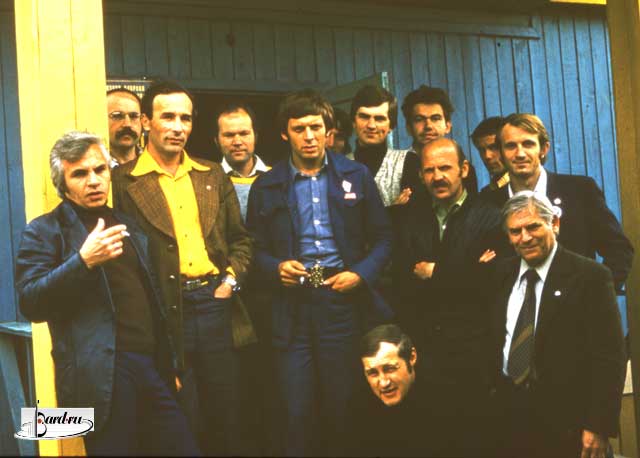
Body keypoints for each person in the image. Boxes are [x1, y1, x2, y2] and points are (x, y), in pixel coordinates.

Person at [15, 131, 199, 456]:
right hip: (101, 374)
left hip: (150, 367)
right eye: (79, 174)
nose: (94, 181)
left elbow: (152, 300)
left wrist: (168, 365)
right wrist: (83, 261)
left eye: (100, 169)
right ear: (62, 183)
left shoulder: (127, 224)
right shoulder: (44, 230)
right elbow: (31, 302)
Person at [246, 89, 392, 456]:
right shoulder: (267, 185)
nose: (309, 137)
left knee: (343, 404)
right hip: (291, 306)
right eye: (299, 129)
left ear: (329, 131)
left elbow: (384, 238)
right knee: (296, 409)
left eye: (316, 127)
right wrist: (274, 267)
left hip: (341, 300)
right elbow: (252, 248)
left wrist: (360, 274)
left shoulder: (355, 175)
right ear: (285, 134)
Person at [111, 80, 254, 456]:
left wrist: (230, 281)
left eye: (185, 118)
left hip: (214, 303)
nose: (178, 127)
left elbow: (241, 240)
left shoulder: (211, 174)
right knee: (179, 417)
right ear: (146, 122)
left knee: (228, 414)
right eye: (168, 117)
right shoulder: (122, 181)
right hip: (163, 311)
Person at [490, 191, 625, 458]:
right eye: (515, 231)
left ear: (554, 223)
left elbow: (609, 357)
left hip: (568, 427)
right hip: (510, 421)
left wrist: (597, 426)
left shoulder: (590, 277)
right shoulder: (499, 275)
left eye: (533, 226)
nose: (525, 237)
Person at [393, 137, 504, 456]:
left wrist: (437, 273)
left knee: (474, 440)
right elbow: (402, 277)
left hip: (474, 350)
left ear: (463, 169)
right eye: (429, 170)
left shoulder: (491, 216)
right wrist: (468, 269)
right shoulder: (410, 218)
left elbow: (492, 280)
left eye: (445, 168)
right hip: (425, 348)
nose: (437, 176)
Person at [483, 113, 633, 293]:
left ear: (544, 149)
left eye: (528, 144)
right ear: (501, 153)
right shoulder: (488, 203)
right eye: (510, 146)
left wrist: (596, 295)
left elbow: (619, 250)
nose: (520, 153)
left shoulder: (580, 191)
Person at [348, 324, 431, 457]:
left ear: (412, 357)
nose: (384, 383)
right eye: (373, 373)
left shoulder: (444, 402)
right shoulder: (358, 408)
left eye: (390, 369)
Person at [401, 84, 479, 195]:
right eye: (419, 119)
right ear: (408, 128)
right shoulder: (397, 167)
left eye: (435, 118)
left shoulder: (463, 168)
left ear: (448, 126)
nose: (428, 126)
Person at [351, 85, 420, 207]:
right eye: (364, 117)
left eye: (379, 119)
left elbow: (413, 215)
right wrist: (393, 210)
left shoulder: (409, 162)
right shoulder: (338, 166)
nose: (371, 125)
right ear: (353, 122)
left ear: (391, 126)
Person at [215, 102, 270, 221]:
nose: (237, 142)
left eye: (244, 134)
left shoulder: (276, 176)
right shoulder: (209, 180)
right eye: (229, 135)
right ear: (216, 141)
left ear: (256, 136)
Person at [471, 116, 509, 193]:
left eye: (493, 147)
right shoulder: (485, 194)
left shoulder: (524, 187)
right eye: (481, 150)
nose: (487, 156)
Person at [107, 88, 143, 166]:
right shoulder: (93, 167)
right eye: (117, 116)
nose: (127, 124)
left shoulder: (156, 164)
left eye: (133, 116)